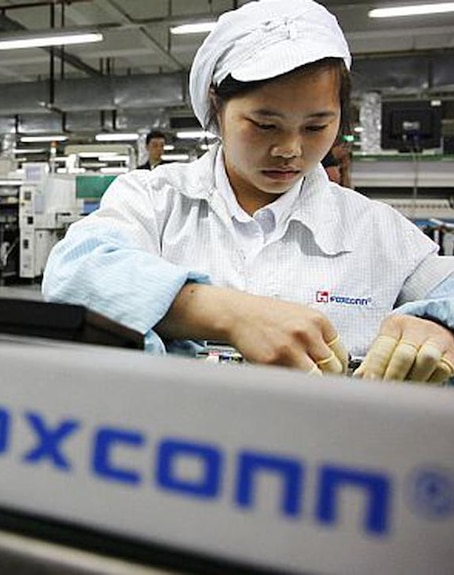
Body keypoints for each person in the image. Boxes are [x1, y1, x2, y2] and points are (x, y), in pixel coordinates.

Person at [42, 0, 454, 384]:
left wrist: (437, 324)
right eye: (265, 124)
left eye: (316, 127)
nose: (290, 150)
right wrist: (229, 314)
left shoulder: (374, 229)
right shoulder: (155, 199)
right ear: (216, 107)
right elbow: (74, 274)